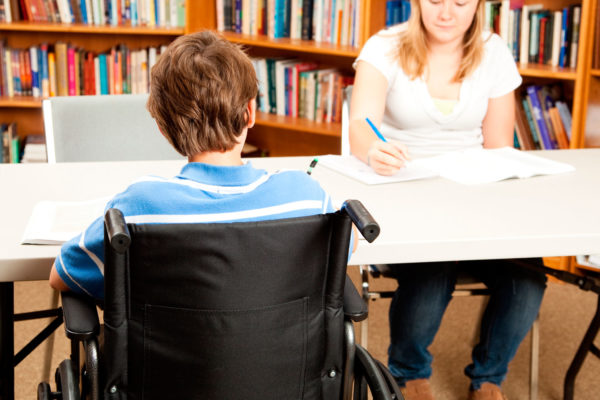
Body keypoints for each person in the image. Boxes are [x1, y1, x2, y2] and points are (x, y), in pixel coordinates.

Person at [49, 30, 354, 300]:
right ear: (250, 112)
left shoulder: (137, 207)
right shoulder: (306, 196)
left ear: (162, 126)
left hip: (162, 366)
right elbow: (345, 247)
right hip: (294, 364)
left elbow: (61, 275)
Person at [349, 0, 546, 399]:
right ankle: (409, 374)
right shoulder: (383, 47)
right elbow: (360, 125)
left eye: (459, 2)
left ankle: (488, 380)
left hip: (475, 200)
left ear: (477, 5)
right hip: (406, 197)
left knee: (527, 279)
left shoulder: (494, 53)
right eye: (435, 1)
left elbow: (497, 148)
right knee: (432, 273)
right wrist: (373, 150)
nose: (446, 13)